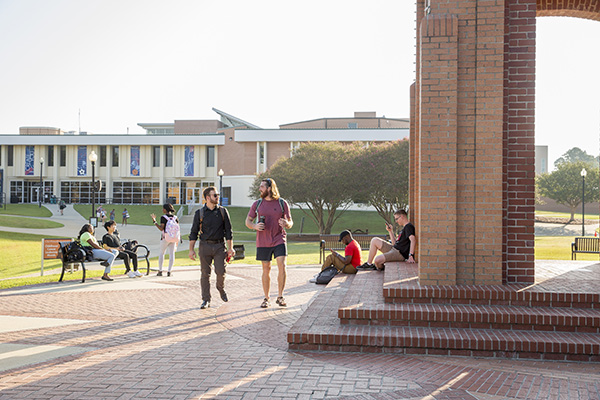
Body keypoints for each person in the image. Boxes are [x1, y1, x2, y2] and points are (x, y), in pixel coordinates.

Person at [245, 178, 293, 308]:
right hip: (263, 241)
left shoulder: (282, 203)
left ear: (269, 188)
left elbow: (290, 222)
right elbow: (248, 221)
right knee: (266, 269)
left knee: (282, 265)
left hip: (279, 238)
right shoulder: (257, 204)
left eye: (262, 187)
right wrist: (255, 226)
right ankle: (266, 298)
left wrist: (286, 224)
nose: (260, 189)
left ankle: (280, 296)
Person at [189, 186, 235, 309]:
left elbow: (229, 231)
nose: (218, 197)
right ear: (208, 198)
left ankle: (220, 288)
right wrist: (191, 250)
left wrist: (230, 248)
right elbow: (193, 232)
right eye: (215, 195)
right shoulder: (200, 213)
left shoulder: (223, 212)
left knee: (220, 271)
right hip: (204, 246)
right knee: (205, 274)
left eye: (218, 195)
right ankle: (206, 299)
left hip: (220, 246)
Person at [151, 203, 179, 277]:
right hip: (173, 238)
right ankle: (169, 271)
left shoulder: (163, 217)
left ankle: (160, 271)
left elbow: (161, 228)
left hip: (165, 238)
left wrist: (154, 221)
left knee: (162, 253)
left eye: (163, 208)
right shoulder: (175, 217)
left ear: (165, 209)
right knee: (172, 254)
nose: (162, 209)